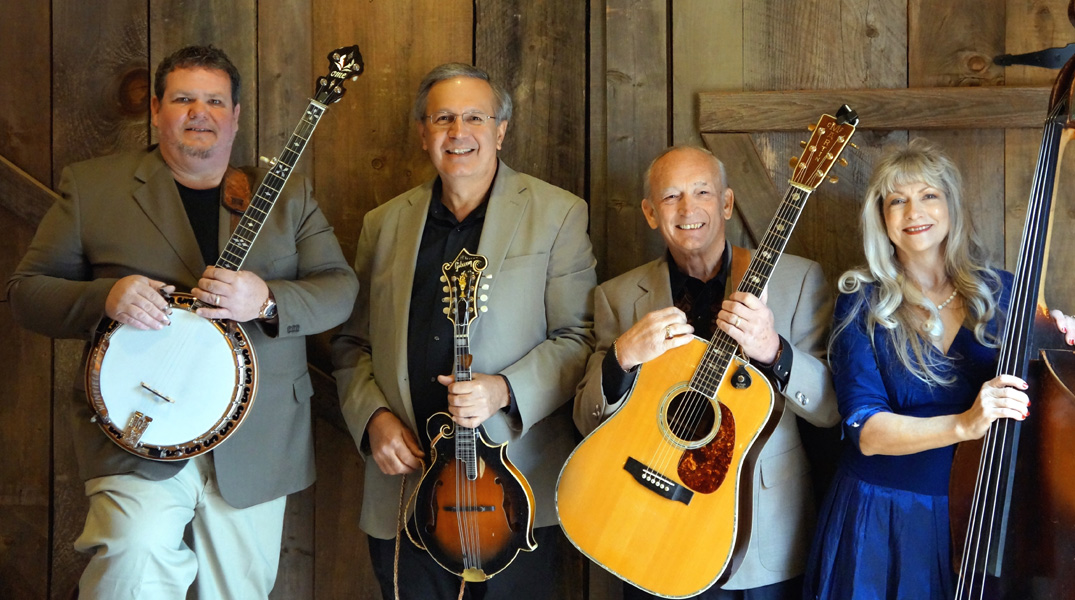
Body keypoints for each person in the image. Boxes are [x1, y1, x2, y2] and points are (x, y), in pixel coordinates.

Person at [6, 45, 358, 598]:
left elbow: (339, 290)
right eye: (183, 99)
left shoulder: (288, 196)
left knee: (236, 592)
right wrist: (106, 297)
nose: (200, 113)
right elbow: (26, 293)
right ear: (155, 109)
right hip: (137, 428)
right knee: (132, 562)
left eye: (215, 101)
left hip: (257, 435)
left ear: (235, 115)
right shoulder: (93, 188)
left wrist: (267, 300)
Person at [330, 63, 596, 599]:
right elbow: (351, 344)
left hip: (513, 493)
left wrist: (503, 390)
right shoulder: (383, 224)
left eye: (476, 117)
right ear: (422, 132)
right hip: (407, 488)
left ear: (501, 130)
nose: (459, 132)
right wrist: (373, 419)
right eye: (443, 118)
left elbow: (579, 339)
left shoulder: (558, 214)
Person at [802, 139, 1075, 599]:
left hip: (984, 516)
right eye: (897, 201)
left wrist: (1062, 341)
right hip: (885, 515)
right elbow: (866, 431)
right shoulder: (861, 300)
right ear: (881, 217)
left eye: (929, 195)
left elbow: (1044, 402)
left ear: (951, 206)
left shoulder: (1006, 292)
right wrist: (965, 424)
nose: (914, 212)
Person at [574, 145, 839, 600]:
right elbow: (586, 420)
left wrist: (774, 350)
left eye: (702, 192)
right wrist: (621, 356)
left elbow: (830, 409)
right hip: (645, 525)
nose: (688, 209)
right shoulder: (617, 297)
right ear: (650, 213)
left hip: (759, 534)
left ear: (727, 203)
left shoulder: (797, 282)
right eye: (671, 196)